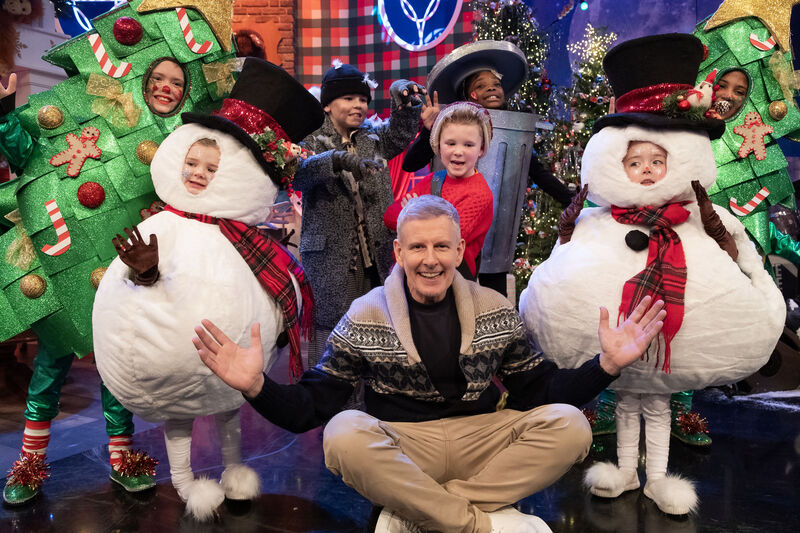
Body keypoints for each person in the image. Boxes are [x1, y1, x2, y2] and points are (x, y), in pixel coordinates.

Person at [193, 195, 667, 533]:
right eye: (417, 247)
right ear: (398, 253)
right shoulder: (367, 313)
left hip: (481, 436)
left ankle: (419, 515)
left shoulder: (495, 309)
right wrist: (256, 385)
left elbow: (539, 392)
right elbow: (310, 408)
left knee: (571, 426)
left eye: (442, 246)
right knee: (341, 435)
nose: (430, 259)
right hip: (402, 445)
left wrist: (604, 365)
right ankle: (481, 524)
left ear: (459, 251)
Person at [0, 73, 156, 505]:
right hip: (57, 281)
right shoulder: (44, 154)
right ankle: (30, 463)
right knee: (47, 374)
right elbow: (21, 151)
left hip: (110, 280)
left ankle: (123, 458)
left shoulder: (119, 149)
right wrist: (5, 111)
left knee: (113, 372)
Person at [294, 62, 424, 366]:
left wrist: (403, 100)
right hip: (332, 259)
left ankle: (373, 403)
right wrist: (336, 159)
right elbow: (298, 174)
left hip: (375, 257)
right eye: (349, 98)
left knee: (378, 330)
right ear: (327, 104)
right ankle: (330, 406)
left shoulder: (371, 138)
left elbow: (400, 133)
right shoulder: (309, 140)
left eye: (363, 99)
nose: (359, 105)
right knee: (333, 338)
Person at [384, 102, 494, 280]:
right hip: (412, 275)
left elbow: (443, 241)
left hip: (451, 284)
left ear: (481, 149)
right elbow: (389, 216)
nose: (458, 152)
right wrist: (420, 217)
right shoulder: (435, 179)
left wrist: (411, 211)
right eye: (450, 143)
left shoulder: (479, 194)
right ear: (439, 145)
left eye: (468, 145)